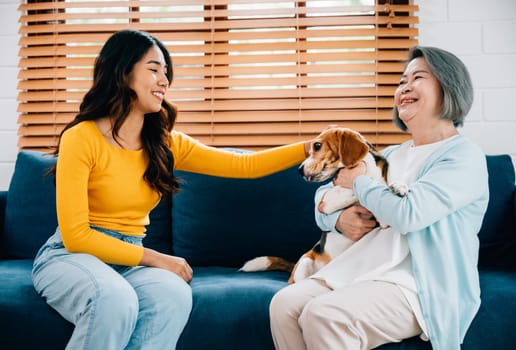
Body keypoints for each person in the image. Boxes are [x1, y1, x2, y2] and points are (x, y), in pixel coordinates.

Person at [31, 29, 311, 350]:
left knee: (173, 294)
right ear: (122, 73)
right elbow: (76, 235)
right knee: (114, 298)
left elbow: (244, 166)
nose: (164, 80)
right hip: (73, 256)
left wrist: (311, 147)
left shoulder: (165, 143)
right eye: (153, 69)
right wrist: (156, 258)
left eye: (166, 72)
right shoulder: (81, 138)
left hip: (128, 260)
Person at [269, 46, 489, 350]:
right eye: (401, 81)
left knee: (324, 315)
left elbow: (408, 214)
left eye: (418, 78)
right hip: (364, 271)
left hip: (416, 286)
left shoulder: (464, 157)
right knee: (284, 304)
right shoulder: (390, 154)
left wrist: (359, 182)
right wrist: (338, 218)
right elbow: (325, 193)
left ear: (448, 87)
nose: (405, 87)